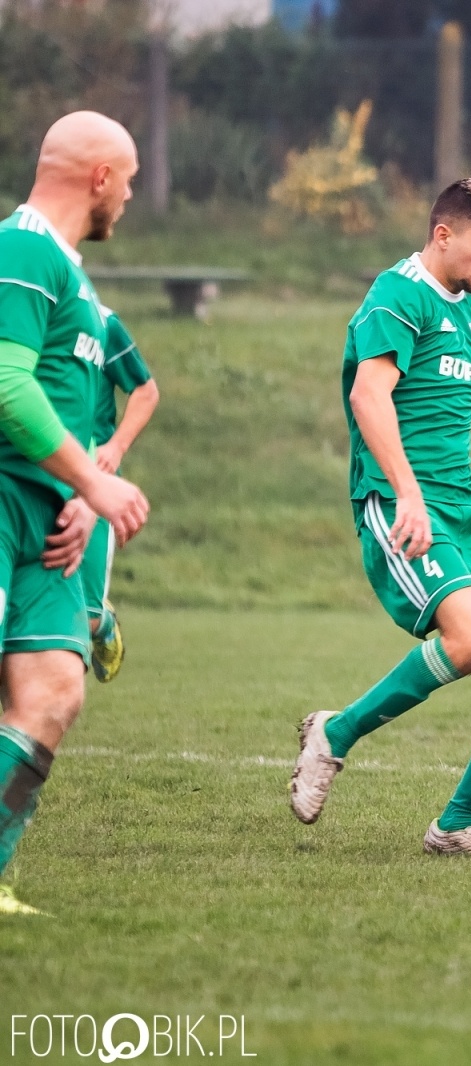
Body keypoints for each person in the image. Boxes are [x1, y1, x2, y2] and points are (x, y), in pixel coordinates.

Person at [289, 179, 471, 857]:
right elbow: (371, 398)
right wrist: (408, 494)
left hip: (462, 511)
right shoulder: (397, 295)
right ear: (444, 234)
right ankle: (333, 736)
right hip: (400, 501)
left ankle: (456, 826)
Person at [0, 112, 152, 915]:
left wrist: (80, 491)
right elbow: (6, 384)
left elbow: (73, 410)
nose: (128, 196)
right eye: (127, 180)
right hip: (1, 504)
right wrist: (95, 487)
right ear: (99, 177)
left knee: (55, 694)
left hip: (50, 529)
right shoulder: (22, 248)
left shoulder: (77, 282)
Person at [81, 306, 159, 682]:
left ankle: (103, 621)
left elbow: (145, 390)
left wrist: (114, 448)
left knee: (85, 615)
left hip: (93, 485)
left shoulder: (100, 319)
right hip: (30, 477)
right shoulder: (19, 316)